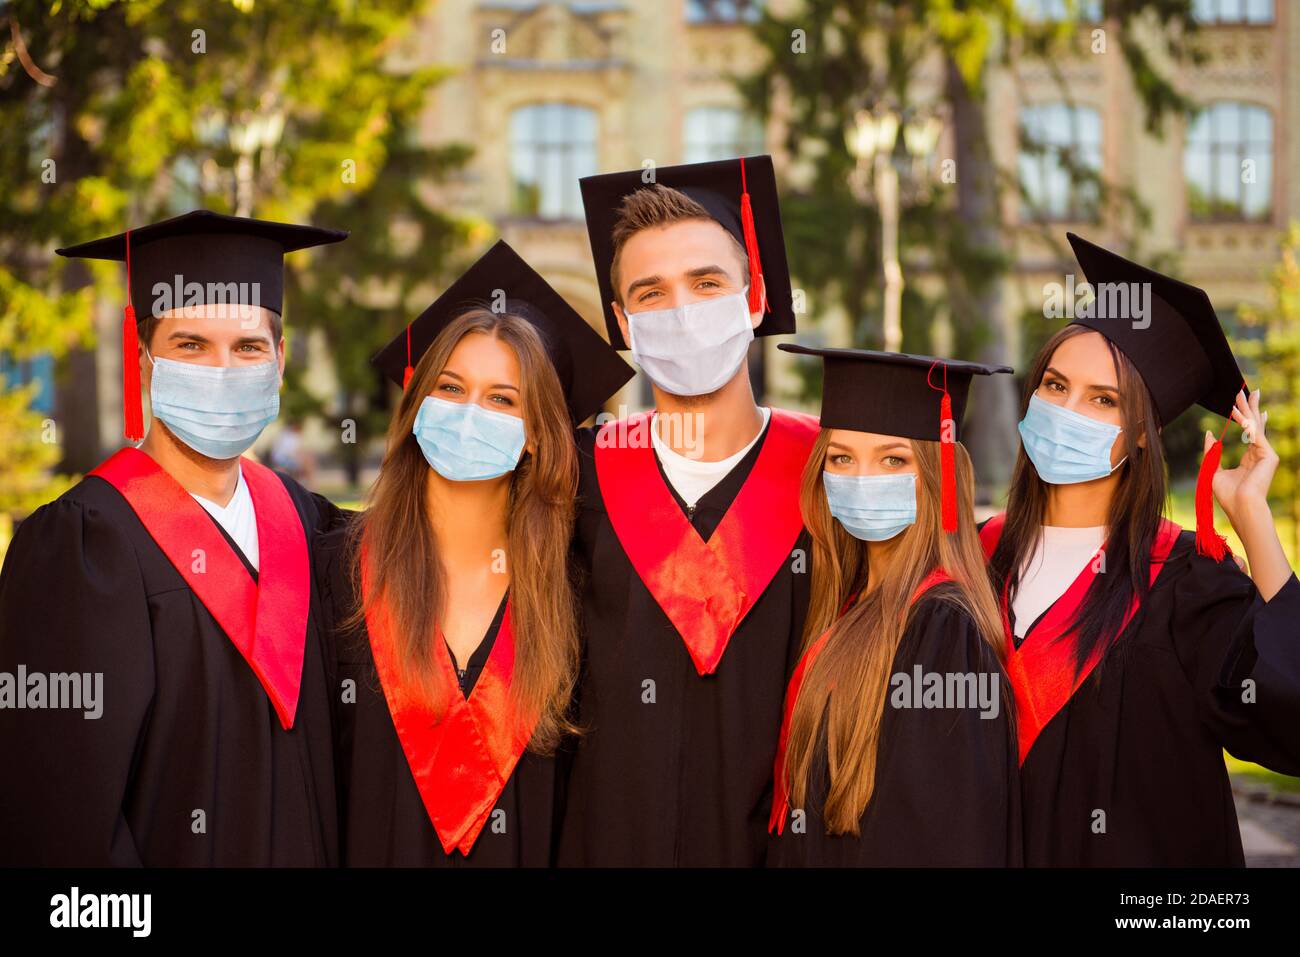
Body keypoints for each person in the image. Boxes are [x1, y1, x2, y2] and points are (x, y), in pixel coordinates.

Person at [0, 209, 348, 865]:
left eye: (247, 347)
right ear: (144, 362)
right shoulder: (83, 549)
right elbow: (60, 819)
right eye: (190, 345)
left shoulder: (306, 521)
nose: (222, 368)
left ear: (280, 362)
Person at [983, 232, 1300, 866]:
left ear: (1142, 439)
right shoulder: (974, 559)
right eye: (1055, 385)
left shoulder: (1186, 584)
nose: (1067, 409)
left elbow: (1291, 720)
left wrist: (1254, 521)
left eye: (1104, 400)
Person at [316, 240, 633, 866]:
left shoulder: (575, 596)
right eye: (451, 388)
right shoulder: (336, 570)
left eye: (501, 399)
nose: (467, 414)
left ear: (540, 438)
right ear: (416, 407)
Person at [557, 155, 820, 866]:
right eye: (651, 294)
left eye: (707, 284)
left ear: (755, 294)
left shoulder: (828, 479)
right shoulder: (575, 479)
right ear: (622, 323)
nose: (682, 311)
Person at [766, 346, 1021, 866]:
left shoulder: (943, 630)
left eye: (893, 458)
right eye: (842, 458)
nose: (862, 477)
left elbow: (940, 838)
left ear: (937, 474)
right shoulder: (846, 604)